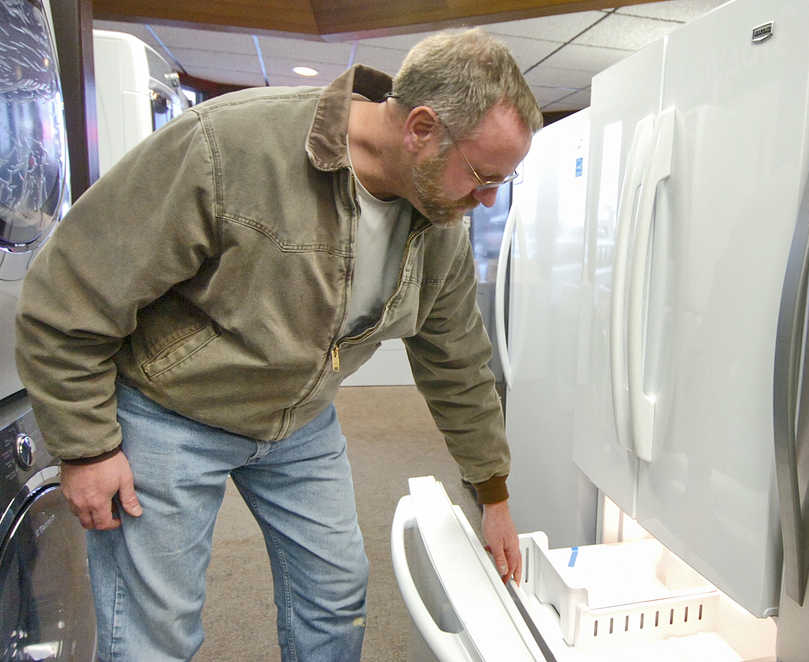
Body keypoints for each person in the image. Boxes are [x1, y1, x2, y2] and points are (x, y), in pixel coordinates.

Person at [15, 27, 542, 662]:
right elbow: (71, 292)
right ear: (422, 127)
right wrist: (87, 446)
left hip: (300, 420)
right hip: (169, 412)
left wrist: (494, 494)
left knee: (335, 595)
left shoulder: (439, 221)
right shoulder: (229, 145)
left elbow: (457, 359)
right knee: (157, 633)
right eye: (483, 176)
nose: (487, 200)